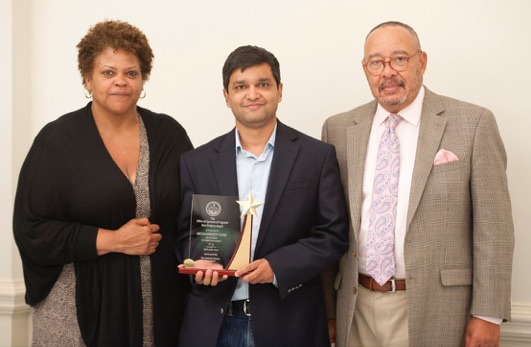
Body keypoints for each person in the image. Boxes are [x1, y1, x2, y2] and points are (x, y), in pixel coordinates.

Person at [321, 20, 515, 347]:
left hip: (437, 307)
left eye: (399, 59)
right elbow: (328, 226)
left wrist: (488, 313)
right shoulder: (339, 129)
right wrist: (326, 311)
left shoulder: (473, 123)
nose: (388, 72)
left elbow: (493, 225)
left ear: (421, 62)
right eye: (376, 63)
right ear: (365, 68)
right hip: (355, 306)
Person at [13, 20, 193, 346]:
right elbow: (31, 229)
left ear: (143, 79)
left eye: (131, 73)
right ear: (87, 77)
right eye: (108, 72)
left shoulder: (170, 135)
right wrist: (113, 240)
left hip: (156, 306)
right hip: (74, 307)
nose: (121, 82)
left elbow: (193, 213)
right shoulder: (56, 142)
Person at [174, 45, 349, 347]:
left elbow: (333, 235)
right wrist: (200, 263)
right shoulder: (197, 162)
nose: (252, 94)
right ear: (226, 96)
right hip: (214, 324)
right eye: (240, 86)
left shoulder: (316, 157)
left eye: (263, 84)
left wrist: (278, 267)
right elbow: (185, 235)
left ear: (279, 91)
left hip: (289, 323)